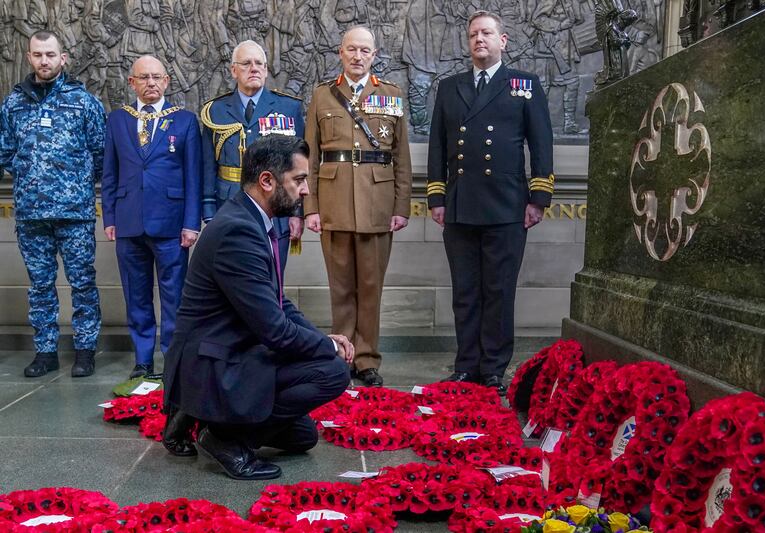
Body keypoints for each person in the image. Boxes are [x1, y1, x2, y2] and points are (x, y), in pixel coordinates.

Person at [162, 135, 352, 478]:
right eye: (298, 179)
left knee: (303, 437)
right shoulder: (238, 230)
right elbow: (274, 330)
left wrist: (327, 338)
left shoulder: (250, 218)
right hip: (214, 363)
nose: (306, 190)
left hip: (228, 348)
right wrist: (328, 348)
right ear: (267, 181)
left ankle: (195, 415)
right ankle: (221, 437)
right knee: (333, 372)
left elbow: (279, 302)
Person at [426, 11, 555, 395]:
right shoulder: (450, 87)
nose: (479, 39)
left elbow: (541, 144)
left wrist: (539, 198)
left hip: (507, 206)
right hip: (461, 205)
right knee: (465, 292)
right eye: (473, 35)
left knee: (499, 291)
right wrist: (437, 196)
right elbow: (438, 147)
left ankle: (494, 369)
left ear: (504, 40)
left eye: (486, 33)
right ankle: (466, 365)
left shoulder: (524, 85)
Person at [304, 26, 412, 387]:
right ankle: (341, 354)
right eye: (351, 49)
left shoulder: (391, 95)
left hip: (377, 204)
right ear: (341, 52)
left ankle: (366, 358)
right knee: (340, 287)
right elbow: (310, 157)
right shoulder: (322, 96)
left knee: (370, 286)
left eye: (365, 50)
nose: (358, 56)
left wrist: (401, 206)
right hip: (333, 202)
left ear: (374, 55)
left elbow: (401, 158)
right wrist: (311, 208)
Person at [0, 30, 105, 378]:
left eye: (50, 54)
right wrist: (30, 176)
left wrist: (74, 183)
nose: (44, 61)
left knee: (82, 283)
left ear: (63, 58)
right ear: (29, 58)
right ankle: (46, 352)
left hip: (74, 212)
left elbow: (101, 153)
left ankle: (85, 351)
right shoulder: (13, 104)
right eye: (37, 55)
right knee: (40, 286)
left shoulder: (83, 102)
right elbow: (5, 151)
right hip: (31, 214)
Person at [101, 55, 202, 379]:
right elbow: (110, 173)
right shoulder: (117, 120)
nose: (151, 83)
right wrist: (110, 217)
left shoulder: (185, 121)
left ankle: (172, 359)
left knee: (174, 297)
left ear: (167, 81)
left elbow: (193, 178)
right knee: (136, 294)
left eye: (157, 77)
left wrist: (191, 223)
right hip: (129, 222)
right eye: (143, 78)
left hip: (172, 225)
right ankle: (143, 359)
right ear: (132, 82)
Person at [201, 40, 304, 276]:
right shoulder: (214, 111)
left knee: (272, 279)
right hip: (228, 204)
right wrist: (208, 208)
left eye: (259, 63)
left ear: (266, 70)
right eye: (246, 63)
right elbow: (208, 165)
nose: (254, 68)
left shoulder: (289, 108)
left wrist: (296, 212)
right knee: (230, 279)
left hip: (275, 207)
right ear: (233, 71)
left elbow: (299, 168)